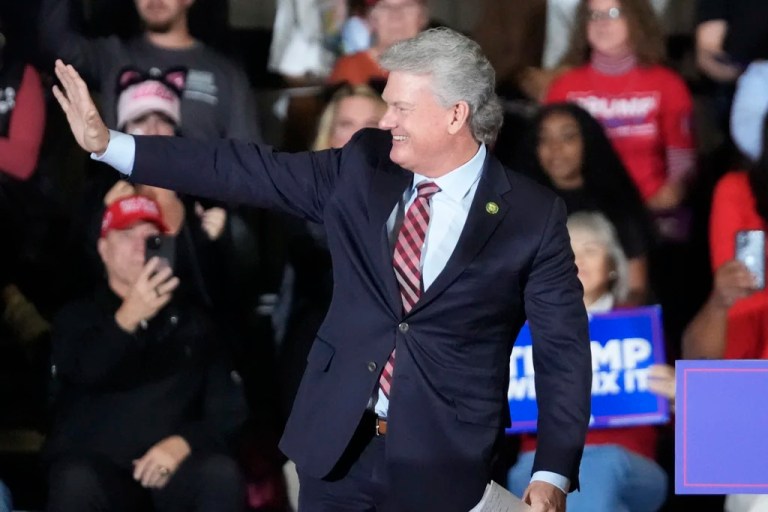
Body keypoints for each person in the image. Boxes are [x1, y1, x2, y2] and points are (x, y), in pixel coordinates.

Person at [52, 26, 592, 512]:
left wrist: (553, 470)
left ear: (455, 114)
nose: (386, 121)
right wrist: (114, 146)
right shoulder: (364, 165)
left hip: (443, 462)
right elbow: (245, 170)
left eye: (401, 109)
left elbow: (562, 350)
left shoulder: (530, 216)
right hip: (338, 450)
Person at [43, 194, 248, 512]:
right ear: (103, 249)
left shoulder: (194, 322)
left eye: (152, 238)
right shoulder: (77, 318)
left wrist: (183, 444)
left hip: (171, 473)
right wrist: (127, 319)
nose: (141, 245)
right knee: (74, 480)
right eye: (126, 235)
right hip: (98, 471)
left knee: (220, 474)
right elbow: (81, 372)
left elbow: (230, 412)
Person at [508, 211, 668, 512]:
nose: (577, 259)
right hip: (536, 466)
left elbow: (673, 417)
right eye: (567, 250)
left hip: (629, 465)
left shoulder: (639, 329)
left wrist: (676, 394)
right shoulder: (522, 331)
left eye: (590, 250)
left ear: (613, 266)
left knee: (592, 468)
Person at [545, 0, 695, 215]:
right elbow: (547, 157)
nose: (602, 23)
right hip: (582, 213)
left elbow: (682, 157)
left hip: (650, 211)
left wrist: (671, 193)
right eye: (594, 15)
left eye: (614, 13)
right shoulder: (563, 88)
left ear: (637, 21)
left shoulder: (667, 84)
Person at [39, 0, 260, 141]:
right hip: (124, 204)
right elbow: (57, 42)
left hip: (201, 206)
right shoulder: (112, 56)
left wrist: (219, 209)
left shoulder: (226, 73)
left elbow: (248, 159)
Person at [515, 102, 654, 305]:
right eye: (544, 139)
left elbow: (636, 288)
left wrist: (611, 324)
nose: (555, 148)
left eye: (568, 137)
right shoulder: (520, 206)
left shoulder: (617, 204)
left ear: (587, 142)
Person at [329, 0, 428, 86]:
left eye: (407, 5)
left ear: (422, 17)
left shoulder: (437, 69)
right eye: (384, 7)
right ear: (372, 20)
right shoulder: (350, 69)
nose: (396, 16)